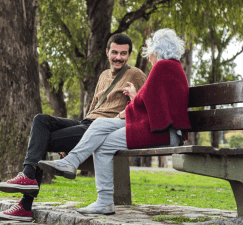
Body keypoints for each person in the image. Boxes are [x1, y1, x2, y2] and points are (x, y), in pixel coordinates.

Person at [0, 33, 147, 221]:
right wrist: (74, 135)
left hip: (103, 128)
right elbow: (93, 108)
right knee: (41, 120)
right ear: (107, 52)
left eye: (123, 53)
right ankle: (28, 178)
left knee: (42, 143)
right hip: (87, 123)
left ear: (129, 55)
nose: (118, 57)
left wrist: (133, 96)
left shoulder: (136, 74)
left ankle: (25, 204)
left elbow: (146, 103)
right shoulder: (104, 75)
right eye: (114, 52)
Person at [38, 28, 192, 215]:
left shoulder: (162, 67)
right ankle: (71, 162)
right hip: (158, 128)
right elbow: (151, 101)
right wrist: (133, 102)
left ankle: (103, 200)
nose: (149, 57)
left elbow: (147, 103)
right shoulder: (171, 67)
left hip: (163, 132)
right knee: (101, 123)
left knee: (104, 145)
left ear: (155, 51)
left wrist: (126, 111)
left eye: (150, 52)